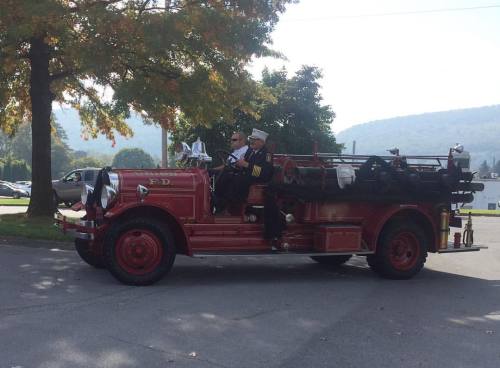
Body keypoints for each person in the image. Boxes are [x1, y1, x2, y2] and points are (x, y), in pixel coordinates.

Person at [213, 128, 273, 213]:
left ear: (262, 142)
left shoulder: (267, 155)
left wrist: (246, 165)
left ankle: (230, 204)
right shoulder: (250, 151)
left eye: (255, 140)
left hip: (257, 179)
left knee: (237, 180)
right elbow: (243, 165)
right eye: (251, 139)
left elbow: (264, 173)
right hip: (246, 175)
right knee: (225, 175)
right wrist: (238, 165)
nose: (251, 141)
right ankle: (218, 201)